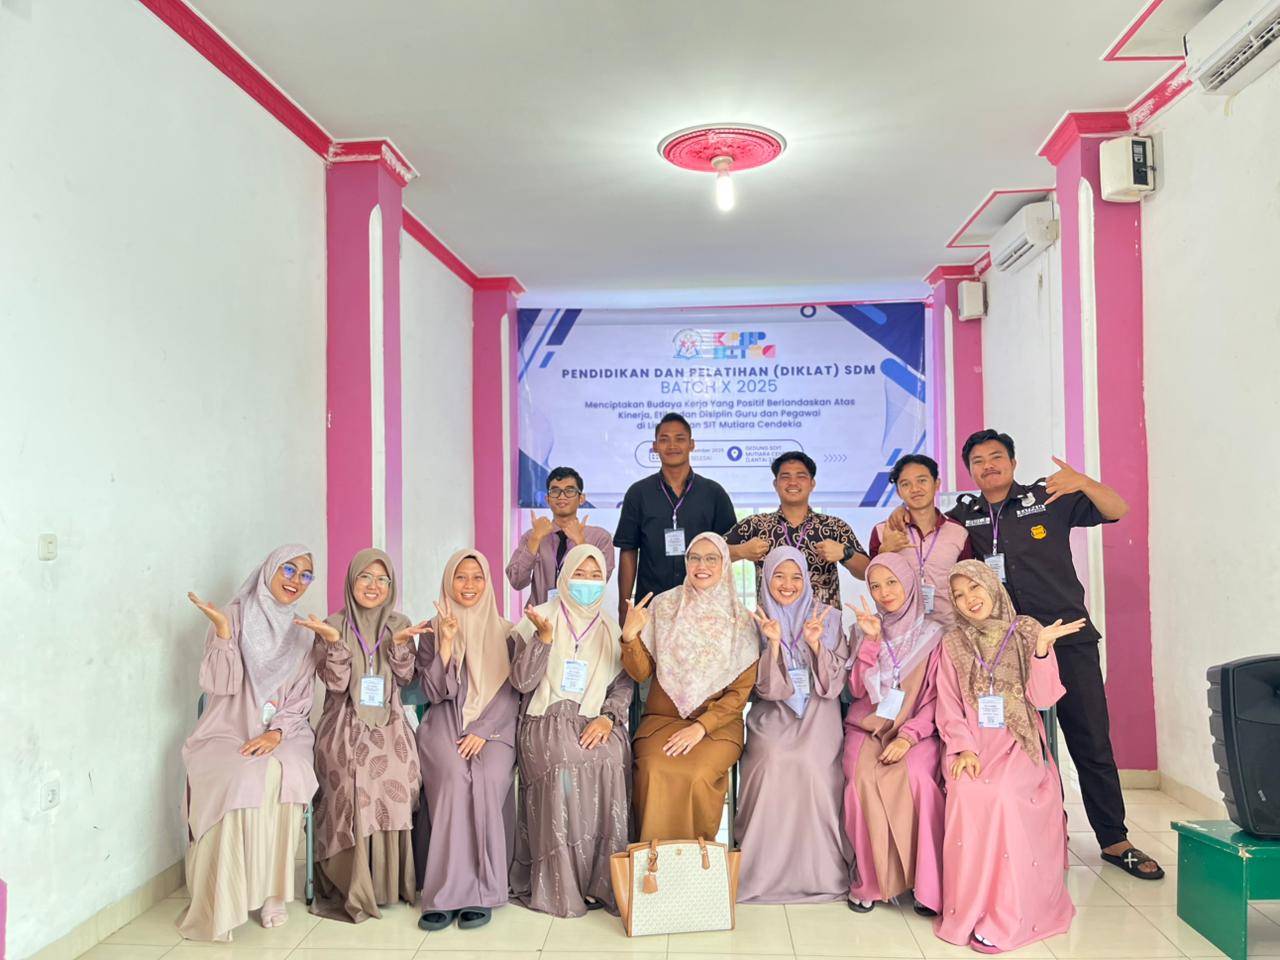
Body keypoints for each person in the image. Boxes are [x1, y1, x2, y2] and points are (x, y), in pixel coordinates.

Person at [946, 429, 1163, 880]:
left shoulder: (1048, 496)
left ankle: (1114, 840)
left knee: (1090, 739)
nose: (988, 466)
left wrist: (1083, 482)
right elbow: (928, 536)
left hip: (1067, 639)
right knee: (1024, 745)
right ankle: (1046, 833)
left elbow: (1118, 509)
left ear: (1013, 462)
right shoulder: (966, 515)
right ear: (969, 471)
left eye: (996, 457)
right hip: (1006, 650)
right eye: (978, 461)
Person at [934, 559, 1083, 953]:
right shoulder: (953, 643)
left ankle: (1009, 913)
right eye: (959, 595)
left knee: (1002, 795)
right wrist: (963, 748)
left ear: (991, 585)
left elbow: (1044, 699)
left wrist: (1042, 651)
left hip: (1018, 743)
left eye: (975, 588)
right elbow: (948, 704)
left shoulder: (1026, 631)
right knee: (967, 791)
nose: (969, 599)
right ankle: (973, 909)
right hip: (973, 743)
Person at [178, 545, 320, 941]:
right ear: (269, 570)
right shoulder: (234, 616)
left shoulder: (302, 631)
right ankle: (228, 894)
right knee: (241, 777)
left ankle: (273, 893)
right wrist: (224, 634)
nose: (295, 580)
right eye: (288, 569)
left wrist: (276, 732)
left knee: (284, 772)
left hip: (286, 731)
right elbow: (218, 686)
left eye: (305, 575)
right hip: (227, 729)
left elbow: (302, 698)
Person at [300, 549, 431, 923]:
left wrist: (400, 646)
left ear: (391, 585)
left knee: (400, 774)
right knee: (354, 778)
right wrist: (333, 643)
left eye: (382, 579)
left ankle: (390, 883)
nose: (374, 586)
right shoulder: (333, 624)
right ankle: (352, 882)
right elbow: (335, 684)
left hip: (390, 722)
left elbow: (406, 680)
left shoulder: (399, 622)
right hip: (343, 723)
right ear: (351, 581)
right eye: (365, 578)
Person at [509, 544, 633, 917]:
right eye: (580, 574)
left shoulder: (610, 627)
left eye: (596, 576)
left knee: (611, 757)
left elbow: (623, 684)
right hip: (544, 718)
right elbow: (521, 682)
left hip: (595, 718)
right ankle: (563, 883)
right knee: (563, 760)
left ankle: (600, 881)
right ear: (565, 576)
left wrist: (608, 718)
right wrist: (543, 640)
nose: (588, 583)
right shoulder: (539, 618)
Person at [621, 532, 758, 841]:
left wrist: (700, 727)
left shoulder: (741, 621)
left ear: (725, 564)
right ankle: (652, 861)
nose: (702, 565)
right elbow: (640, 673)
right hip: (663, 721)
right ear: (686, 563)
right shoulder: (664, 606)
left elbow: (739, 694)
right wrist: (630, 638)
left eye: (711, 558)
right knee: (654, 769)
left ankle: (695, 862)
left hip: (717, 726)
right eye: (694, 558)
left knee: (696, 775)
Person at [734, 546, 850, 904]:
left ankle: (821, 874)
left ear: (807, 580)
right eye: (779, 576)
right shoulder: (754, 620)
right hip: (772, 713)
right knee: (771, 761)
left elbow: (836, 684)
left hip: (819, 712)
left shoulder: (829, 618)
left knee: (813, 767)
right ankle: (762, 873)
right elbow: (762, 690)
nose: (788, 584)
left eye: (796, 577)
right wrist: (772, 646)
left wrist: (816, 647)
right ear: (766, 579)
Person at [415, 549, 518, 932]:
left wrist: (482, 729)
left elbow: (513, 691)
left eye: (477, 577)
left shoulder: (507, 631)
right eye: (461, 577)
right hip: (443, 721)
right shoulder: (432, 629)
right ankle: (443, 893)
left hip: (496, 726)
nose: (469, 585)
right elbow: (434, 692)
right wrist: (445, 645)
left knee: (488, 779)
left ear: (487, 582)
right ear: (449, 581)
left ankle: (483, 891)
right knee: (454, 779)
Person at [842, 553, 945, 916]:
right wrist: (871, 642)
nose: (884, 592)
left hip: (917, 731)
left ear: (909, 584)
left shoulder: (934, 635)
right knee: (861, 782)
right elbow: (856, 690)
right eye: (875, 585)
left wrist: (908, 736)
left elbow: (937, 698)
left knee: (915, 779)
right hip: (866, 728)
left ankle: (926, 884)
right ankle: (869, 881)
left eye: (891, 583)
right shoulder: (863, 628)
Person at [614, 412, 737, 625]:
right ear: (655, 446)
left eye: (680, 439)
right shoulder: (638, 493)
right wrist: (624, 606)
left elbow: (728, 551)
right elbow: (628, 551)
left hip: (704, 607)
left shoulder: (713, 493)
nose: (672, 445)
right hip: (651, 606)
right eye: (664, 439)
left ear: (692, 444)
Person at [726, 451, 869, 608]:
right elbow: (712, 554)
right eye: (785, 477)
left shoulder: (833, 526)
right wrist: (741, 551)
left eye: (801, 476)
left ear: (812, 483)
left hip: (822, 621)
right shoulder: (756, 524)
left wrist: (845, 553)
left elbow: (867, 572)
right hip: (772, 622)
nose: (793, 482)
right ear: (775, 484)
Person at [869, 454, 972, 627]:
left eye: (922, 481)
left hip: (948, 630)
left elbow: (966, 582)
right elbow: (874, 582)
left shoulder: (958, 533)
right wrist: (885, 551)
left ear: (936, 484)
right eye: (905, 484)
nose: (915, 489)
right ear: (898, 491)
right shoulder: (883, 532)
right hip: (900, 632)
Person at [506, 466, 616, 605]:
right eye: (555, 491)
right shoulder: (533, 535)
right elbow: (516, 582)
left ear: (581, 498)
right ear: (547, 499)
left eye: (569, 491)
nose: (562, 496)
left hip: (581, 616)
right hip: (539, 616)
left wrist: (580, 542)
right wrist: (535, 539)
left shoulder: (600, 537)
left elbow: (600, 583)